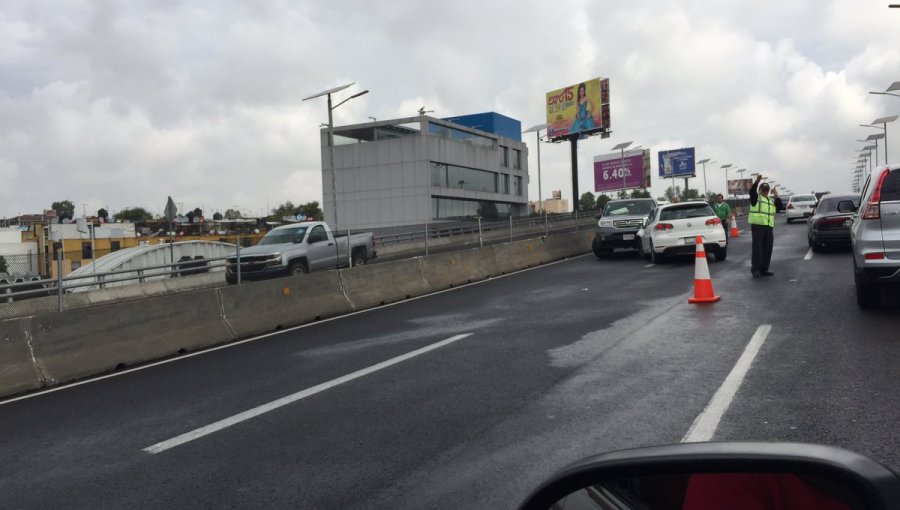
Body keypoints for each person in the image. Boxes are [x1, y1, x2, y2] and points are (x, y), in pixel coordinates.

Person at [749, 175, 777, 278]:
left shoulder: (770, 200)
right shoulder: (756, 198)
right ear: (760, 190)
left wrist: (776, 195)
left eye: (767, 190)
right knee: (757, 248)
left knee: (767, 248)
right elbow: (752, 191)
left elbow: (778, 207)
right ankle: (755, 269)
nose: (765, 191)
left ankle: (764, 269)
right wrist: (757, 182)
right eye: (763, 190)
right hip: (758, 226)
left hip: (768, 227)